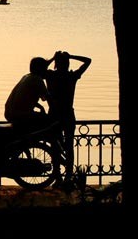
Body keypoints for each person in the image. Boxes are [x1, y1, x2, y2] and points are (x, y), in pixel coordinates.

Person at [45, 51, 91, 186]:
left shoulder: (50, 75)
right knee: (68, 145)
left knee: (55, 145)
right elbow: (88, 60)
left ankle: (59, 175)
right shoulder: (71, 76)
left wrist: (53, 58)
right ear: (67, 63)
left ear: (56, 64)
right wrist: (72, 56)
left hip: (54, 114)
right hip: (67, 114)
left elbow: (40, 68)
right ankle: (67, 175)